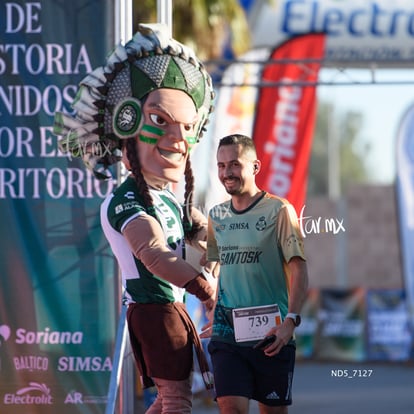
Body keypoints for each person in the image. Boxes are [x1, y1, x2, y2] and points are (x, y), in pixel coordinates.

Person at [53, 23, 217, 413]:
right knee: (177, 399)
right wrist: (204, 289)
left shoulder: (167, 198)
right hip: (155, 311)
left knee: (168, 398)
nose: (178, 139)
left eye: (188, 127)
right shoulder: (125, 198)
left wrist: (224, 259)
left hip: (168, 310)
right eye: (160, 121)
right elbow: (154, 255)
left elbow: (214, 234)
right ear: (126, 124)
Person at [204, 134, 309, 414]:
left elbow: (299, 268)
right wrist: (211, 304)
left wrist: (290, 322)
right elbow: (214, 266)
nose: (227, 173)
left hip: (272, 334)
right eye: (221, 165)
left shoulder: (280, 210)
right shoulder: (217, 215)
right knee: (231, 409)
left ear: (255, 167)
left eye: (235, 164)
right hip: (228, 334)